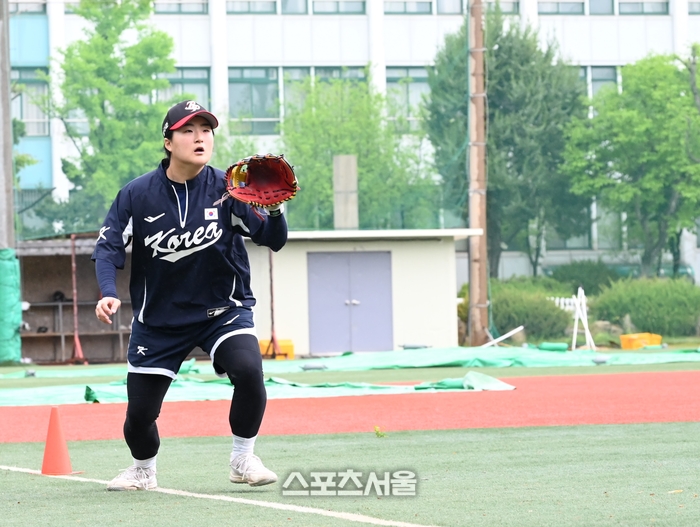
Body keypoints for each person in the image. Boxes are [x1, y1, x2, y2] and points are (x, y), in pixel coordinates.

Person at [92, 100, 287, 491]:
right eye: (188, 130)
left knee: (249, 371)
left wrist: (276, 212)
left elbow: (273, 240)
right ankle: (143, 470)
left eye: (206, 130)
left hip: (223, 311)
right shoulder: (137, 194)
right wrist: (108, 292)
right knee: (139, 415)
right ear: (168, 142)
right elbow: (108, 248)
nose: (200, 137)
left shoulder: (230, 190)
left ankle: (243, 458)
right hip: (159, 321)